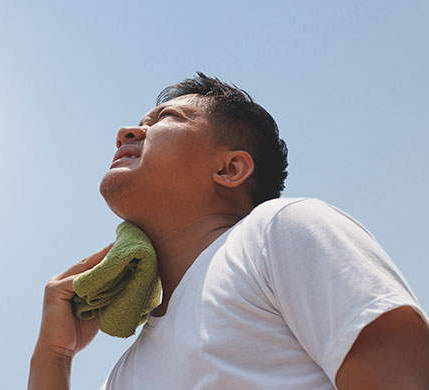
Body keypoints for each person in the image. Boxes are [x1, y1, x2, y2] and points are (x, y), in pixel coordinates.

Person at [28, 73, 429, 389]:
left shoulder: (279, 230)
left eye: (166, 119)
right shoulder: (124, 376)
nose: (128, 132)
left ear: (230, 169)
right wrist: (54, 355)